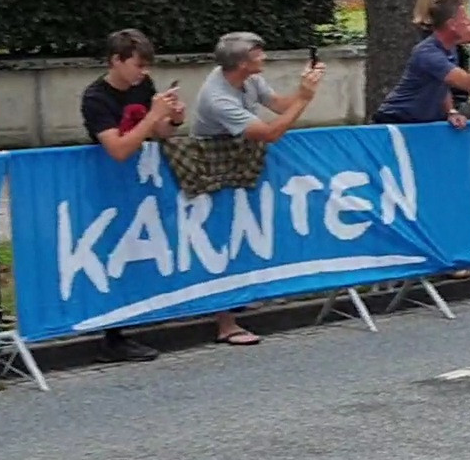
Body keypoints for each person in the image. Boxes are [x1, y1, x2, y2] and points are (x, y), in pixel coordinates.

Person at [192, 31, 323, 347]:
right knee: (222, 239)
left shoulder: (249, 80)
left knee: (246, 234)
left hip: (241, 163)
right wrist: (304, 98)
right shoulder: (218, 96)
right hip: (213, 168)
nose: (264, 57)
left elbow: (279, 107)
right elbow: (269, 132)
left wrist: (305, 89)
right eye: (258, 53)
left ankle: (240, 298)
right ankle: (225, 323)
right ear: (240, 63)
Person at [80, 28, 185, 362]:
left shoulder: (143, 86)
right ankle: (112, 335)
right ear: (116, 60)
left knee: (140, 250)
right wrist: (154, 116)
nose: (144, 72)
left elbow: (160, 131)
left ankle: (134, 320)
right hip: (106, 181)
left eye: (146, 65)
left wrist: (173, 119)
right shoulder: (96, 98)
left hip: (140, 182)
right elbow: (118, 149)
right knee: (111, 252)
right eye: (138, 65)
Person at [373, 0, 470, 126]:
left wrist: (450, 111)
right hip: (395, 120)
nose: (468, 23)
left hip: (419, 122)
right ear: (451, 25)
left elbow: (442, 85)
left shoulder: (449, 45)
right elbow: (468, 83)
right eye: (463, 19)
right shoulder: (429, 53)